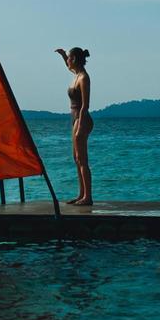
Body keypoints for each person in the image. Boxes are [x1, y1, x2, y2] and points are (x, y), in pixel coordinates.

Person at [55, 47, 93, 206]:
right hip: (75, 119)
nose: (68, 62)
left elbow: (85, 105)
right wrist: (64, 55)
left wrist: (79, 126)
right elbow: (68, 66)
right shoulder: (76, 74)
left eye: (70, 58)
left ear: (75, 59)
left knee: (82, 159)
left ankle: (88, 197)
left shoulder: (83, 78)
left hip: (82, 118)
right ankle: (81, 194)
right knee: (76, 158)